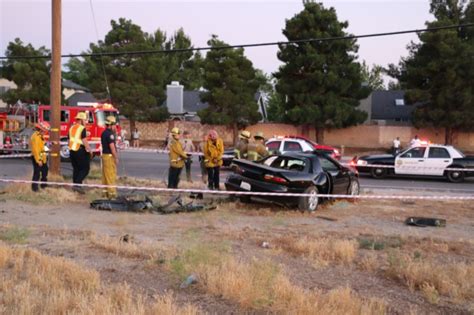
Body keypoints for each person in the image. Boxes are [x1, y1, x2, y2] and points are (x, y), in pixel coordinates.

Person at [69, 112, 92, 194]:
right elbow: (84, 140)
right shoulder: (82, 128)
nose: (86, 122)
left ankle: (76, 185)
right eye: (85, 120)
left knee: (76, 169)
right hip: (80, 150)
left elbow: (70, 139)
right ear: (82, 120)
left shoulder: (72, 128)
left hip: (72, 150)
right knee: (85, 169)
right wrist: (89, 150)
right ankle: (77, 185)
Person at [101, 116, 118, 199]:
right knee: (110, 175)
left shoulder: (104, 133)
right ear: (111, 124)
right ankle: (112, 194)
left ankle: (105, 193)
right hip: (109, 156)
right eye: (114, 125)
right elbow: (112, 147)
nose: (115, 127)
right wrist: (116, 158)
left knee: (105, 175)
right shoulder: (110, 134)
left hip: (104, 156)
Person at [30, 121, 50, 192]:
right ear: (41, 129)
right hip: (37, 158)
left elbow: (42, 147)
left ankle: (43, 185)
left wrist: (48, 149)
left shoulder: (40, 136)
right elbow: (36, 150)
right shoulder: (35, 137)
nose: (45, 133)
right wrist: (38, 160)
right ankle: (34, 188)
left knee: (45, 171)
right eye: (45, 131)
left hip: (42, 157)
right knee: (37, 173)